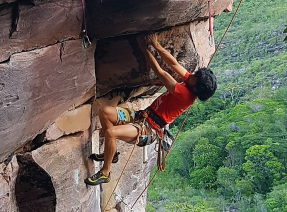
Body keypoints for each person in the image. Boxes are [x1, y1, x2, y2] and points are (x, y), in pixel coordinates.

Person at [85, 33, 217, 187]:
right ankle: (111, 153)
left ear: (196, 87)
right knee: (105, 112)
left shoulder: (185, 95)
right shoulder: (190, 84)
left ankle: (105, 172)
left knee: (111, 133)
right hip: (142, 116)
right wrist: (156, 45)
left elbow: (161, 73)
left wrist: (144, 49)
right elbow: (174, 64)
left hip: (148, 130)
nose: (192, 75)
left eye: (195, 76)